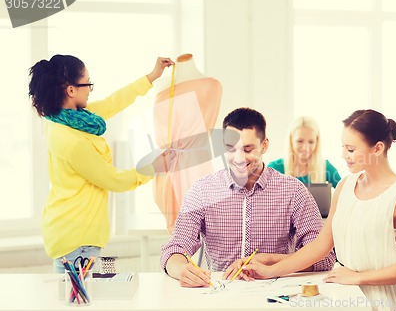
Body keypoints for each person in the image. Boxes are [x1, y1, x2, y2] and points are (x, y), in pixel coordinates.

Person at [244, 109, 396, 310]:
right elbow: (321, 245)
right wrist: (271, 270)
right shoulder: (345, 186)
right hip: (350, 291)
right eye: (343, 147)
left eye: (350, 149)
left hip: (391, 300)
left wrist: (358, 277)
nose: (343, 155)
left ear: (377, 148)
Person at [28, 54, 174, 273]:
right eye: (88, 84)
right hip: (77, 240)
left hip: (71, 234)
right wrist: (152, 168)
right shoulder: (71, 141)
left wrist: (152, 76)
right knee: (81, 305)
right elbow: (112, 179)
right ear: (71, 90)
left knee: (79, 304)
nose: (90, 89)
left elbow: (112, 102)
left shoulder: (67, 118)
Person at [160, 107, 335, 288]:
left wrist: (271, 262)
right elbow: (175, 249)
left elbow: (324, 258)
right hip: (220, 294)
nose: (239, 158)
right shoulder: (202, 191)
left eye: (248, 149)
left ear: (264, 145)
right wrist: (181, 269)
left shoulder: (293, 191)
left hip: (277, 295)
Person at [153, 53, 222, 233]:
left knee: (200, 228)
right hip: (167, 164)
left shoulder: (211, 85)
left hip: (195, 164)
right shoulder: (162, 84)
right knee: (176, 235)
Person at [267, 116, 341, 186]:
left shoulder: (325, 167)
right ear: (291, 141)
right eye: (300, 141)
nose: (305, 147)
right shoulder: (274, 168)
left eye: (311, 142)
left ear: (317, 142)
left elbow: (347, 193)